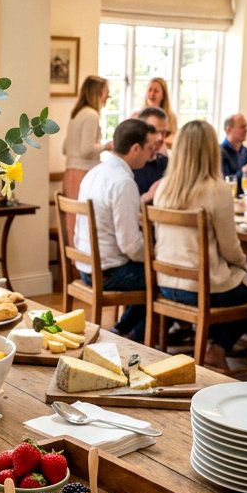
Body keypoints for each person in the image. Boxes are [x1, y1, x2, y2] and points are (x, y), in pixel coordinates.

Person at [152, 120, 247, 370]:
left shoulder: (163, 188)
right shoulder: (217, 190)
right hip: (202, 288)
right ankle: (218, 345)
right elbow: (231, 250)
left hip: (165, 283)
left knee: (240, 281)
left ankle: (213, 340)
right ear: (211, 150)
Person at [74, 118, 157, 341]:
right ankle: (135, 338)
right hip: (108, 274)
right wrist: (158, 254)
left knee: (149, 270)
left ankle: (122, 330)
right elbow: (131, 247)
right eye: (150, 148)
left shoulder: (94, 173)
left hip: (86, 266)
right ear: (135, 148)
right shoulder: (123, 182)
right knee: (164, 280)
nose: (152, 155)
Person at [62, 76, 111, 239]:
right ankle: (83, 263)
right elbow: (86, 150)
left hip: (70, 172)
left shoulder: (77, 114)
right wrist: (107, 146)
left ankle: (74, 262)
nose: (108, 96)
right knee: (82, 223)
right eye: (106, 92)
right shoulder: (91, 115)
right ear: (98, 93)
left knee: (73, 221)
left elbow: (65, 148)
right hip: (83, 174)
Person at [220, 114, 247, 199]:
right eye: (242, 127)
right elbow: (224, 184)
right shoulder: (219, 153)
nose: (246, 129)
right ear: (228, 129)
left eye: (246, 126)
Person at [133, 106, 169, 200]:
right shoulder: (128, 165)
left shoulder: (168, 164)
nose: (161, 138)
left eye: (164, 132)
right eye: (155, 132)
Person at [134, 78, 177, 147]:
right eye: (149, 90)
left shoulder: (171, 117)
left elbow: (175, 139)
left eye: (156, 91)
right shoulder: (136, 116)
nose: (152, 94)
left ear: (163, 95)